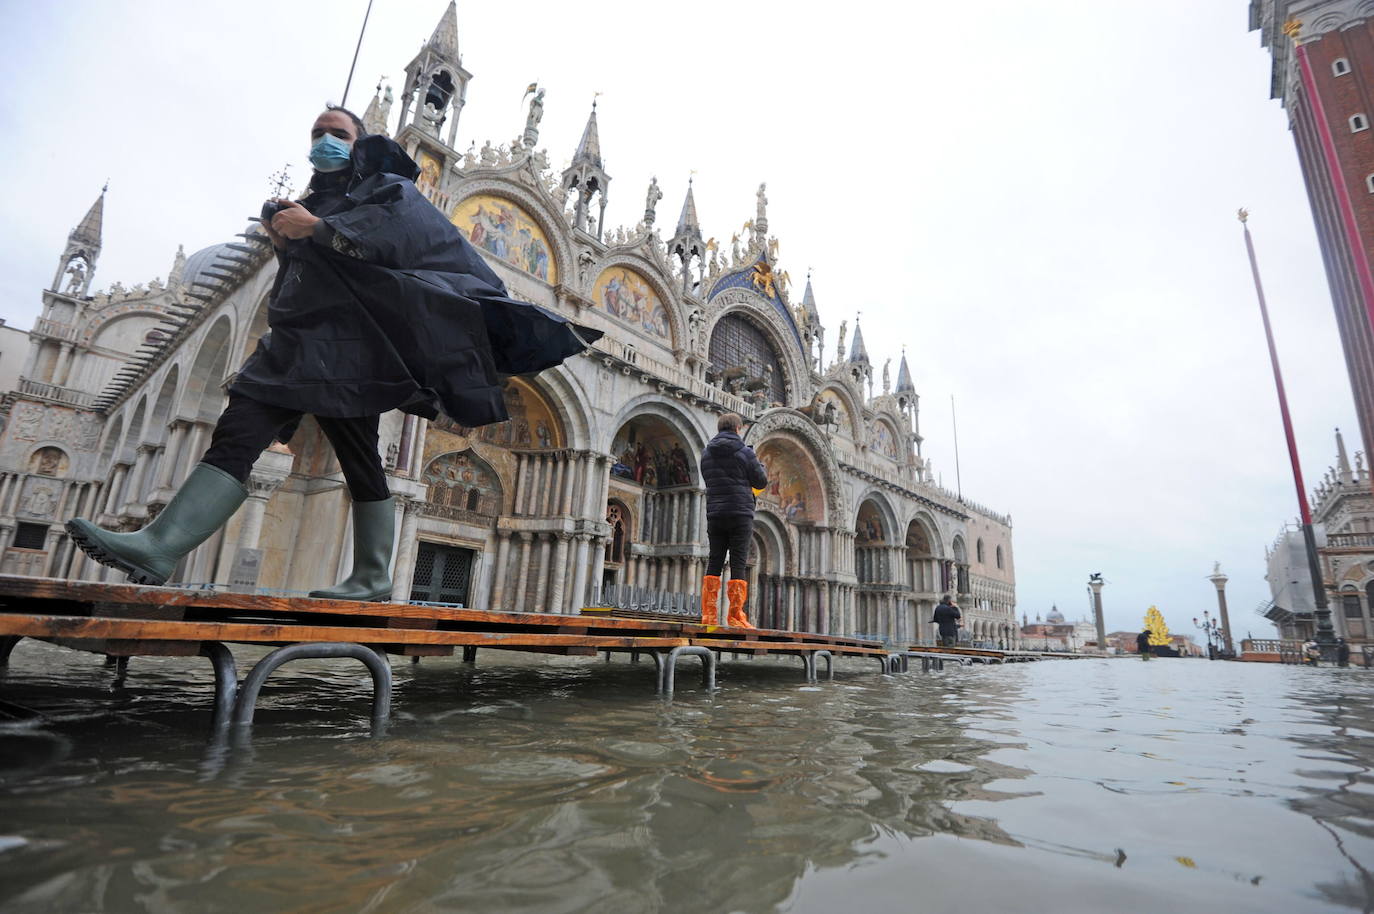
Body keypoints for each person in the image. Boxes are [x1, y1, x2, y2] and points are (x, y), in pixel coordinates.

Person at [67, 105, 599, 599]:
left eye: (338, 134)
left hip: (350, 349)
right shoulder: (315, 201)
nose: (325, 141)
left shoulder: (387, 189)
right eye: (317, 133)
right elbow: (313, 275)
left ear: (360, 143)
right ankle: (165, 546)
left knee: (359, 459)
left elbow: (397, 240)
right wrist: (288, 241)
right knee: (240, 433)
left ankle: (368, 574)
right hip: (298, 342)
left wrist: (318, 230)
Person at [699, 413, 767, 627]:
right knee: (738, 563)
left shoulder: (706, 453)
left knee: (715, 560)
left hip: (715, 513)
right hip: (740, 512)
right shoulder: (745, 452)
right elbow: (761, 481)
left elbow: (710, 478)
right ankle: (736, 617)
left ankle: (708, 615)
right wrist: (759, 465)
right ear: (738, 428)